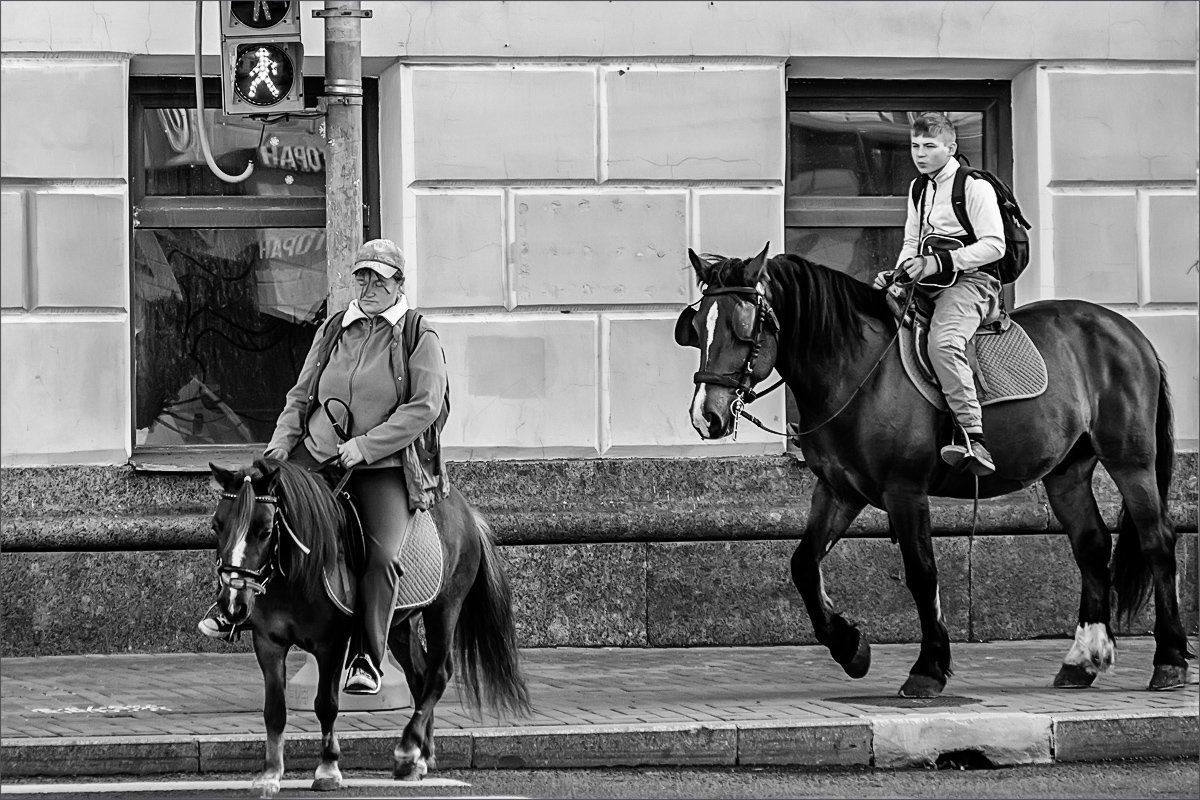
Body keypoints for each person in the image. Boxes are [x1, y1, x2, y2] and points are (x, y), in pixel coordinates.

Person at [198, 238, 450, 696]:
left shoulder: (418, 335)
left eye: (380, 278)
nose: (370, 285)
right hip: (314, 455)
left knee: (380, 557)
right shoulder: (335, 328)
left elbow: (425, 406)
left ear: (399, 283)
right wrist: (278, 450)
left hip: (381, 466)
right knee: (253, 515)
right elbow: (301, 395)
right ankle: (230, 606)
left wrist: (366, 447)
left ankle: (368, 658)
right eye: (363, 276)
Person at [873, 111, 1004, 476]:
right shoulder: (919, 187)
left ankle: (972, 437)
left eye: (929, 146)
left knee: (943, 342)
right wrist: (898, 274)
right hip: (928, 283)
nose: (920, 154)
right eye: (915, 146)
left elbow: (995, 246)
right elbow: (911, 242)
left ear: (951, 148)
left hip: (973, 283)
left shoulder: (975, 187)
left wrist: (939, 263)